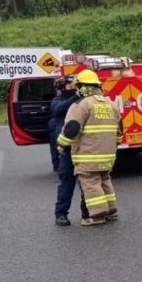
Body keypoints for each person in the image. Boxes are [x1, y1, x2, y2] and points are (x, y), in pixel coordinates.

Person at [56, 69, 122, 227]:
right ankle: (111, 211)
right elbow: (119, 132)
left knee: (91, 183)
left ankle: (97, 215)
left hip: (88, 155)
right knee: (105, 180)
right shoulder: (110, 104)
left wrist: (61, 144)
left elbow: (71, 129)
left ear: (81, 86)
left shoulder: (81, 105)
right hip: (107, 155)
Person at [52, 76, 90, 226]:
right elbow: (58, 109)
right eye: (70, 84)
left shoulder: (83, 102)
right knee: (67, 182)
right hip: (67, 149)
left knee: (86, 182)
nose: (73, 86)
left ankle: (87, 213)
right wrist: (76, 96)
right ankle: (61, 214)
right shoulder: (58, 101)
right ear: (63, 87)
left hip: (82, 147)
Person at [47, 78, 67, 172]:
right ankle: (57, 166)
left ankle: (58, 165)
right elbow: (58, 108)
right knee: (56, 145)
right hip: (57, 122)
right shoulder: (56, 100)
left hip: (62, 123)